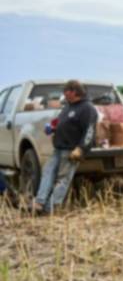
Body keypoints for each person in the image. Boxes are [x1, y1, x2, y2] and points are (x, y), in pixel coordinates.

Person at [33, 80, 98, 214]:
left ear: (73, 92)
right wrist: (52, 127)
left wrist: (81, 149)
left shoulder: (87, 108)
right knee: (47, 172)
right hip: (58, 148)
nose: (63, 94)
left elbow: (90, 131)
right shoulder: (68, 106)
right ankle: (39, 202)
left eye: (65, 91)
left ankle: (51, 208)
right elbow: (60, 121)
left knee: (62, 179)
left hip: (71, 150)